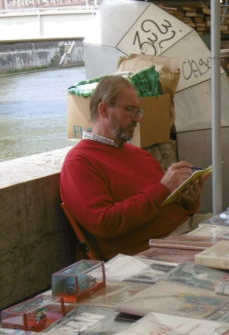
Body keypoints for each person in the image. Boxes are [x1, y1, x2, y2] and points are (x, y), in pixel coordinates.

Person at [60, 75, 208, 259]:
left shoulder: (138, 154)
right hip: (153, 249)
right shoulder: (80, 162)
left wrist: (189, 200)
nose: (137, 119)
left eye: (138, 111)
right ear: (104, 110)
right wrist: (163, 188)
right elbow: (105, 223)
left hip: (186, 230)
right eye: (130, 110)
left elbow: (164, 203)